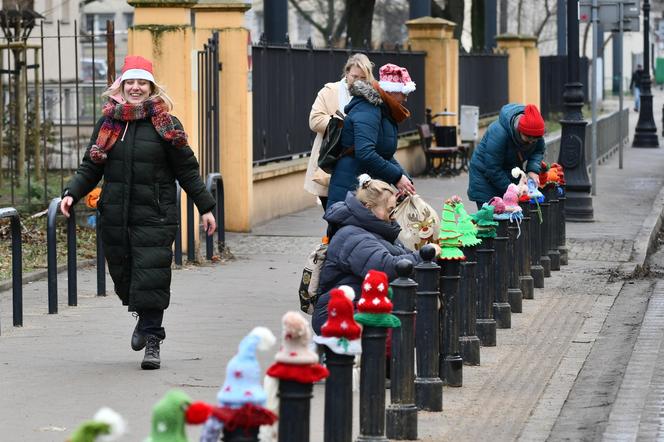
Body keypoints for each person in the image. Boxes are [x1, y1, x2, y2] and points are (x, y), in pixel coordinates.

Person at [60, 55, 216, 370]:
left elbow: (187, 170)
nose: (135, 87)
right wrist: (71, 193)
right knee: (125, 276)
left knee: (152, 277)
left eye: (141, 82)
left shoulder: (167, 124)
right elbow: (92, 166)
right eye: (130, 82)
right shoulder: (108, 124)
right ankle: (143, 319)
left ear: (150, 87)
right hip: (116, 214)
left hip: (156, 214)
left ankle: (153, 339)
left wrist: (206, 207)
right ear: (121, 86)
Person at [311, 174, 440, 334]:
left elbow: (402, 254)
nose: (393, 217)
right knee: (410, 327)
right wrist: (426, 255)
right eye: (389, 211)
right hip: (338, 313)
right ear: (368, 207)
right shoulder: (352, 236)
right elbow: (387, 267)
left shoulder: (378, 230)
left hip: (361, 304)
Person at [325, 63, 417, 211]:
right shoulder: (369, 109)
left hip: (365, 188)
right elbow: (365, 153)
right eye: (404, 93)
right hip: (351, 189)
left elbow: (385, 154)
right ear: (391, 91)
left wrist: (405, 180)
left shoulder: (383, 111)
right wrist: (397, 177)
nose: (406, 98)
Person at [305, 53, 375, 210]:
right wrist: (342, 125)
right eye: (354, 76)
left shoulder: (372, 96)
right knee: (333, 213)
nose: (357, 81)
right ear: (347, 73)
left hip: (360, 163)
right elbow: (315, 120)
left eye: (362, 78)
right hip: (331, 159)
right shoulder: (330, 91)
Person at [467, 103, 546, 208]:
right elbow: (492, 169)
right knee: (491, 217)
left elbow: (538, 150)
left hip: (508, 172)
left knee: (511, 215)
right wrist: (512, 189)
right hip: (484, 177)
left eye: (535, 139)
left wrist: (533, 170)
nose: (532, 142)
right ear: (519, 130)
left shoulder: (535, 134)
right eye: (528, 138)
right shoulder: (499, 133)